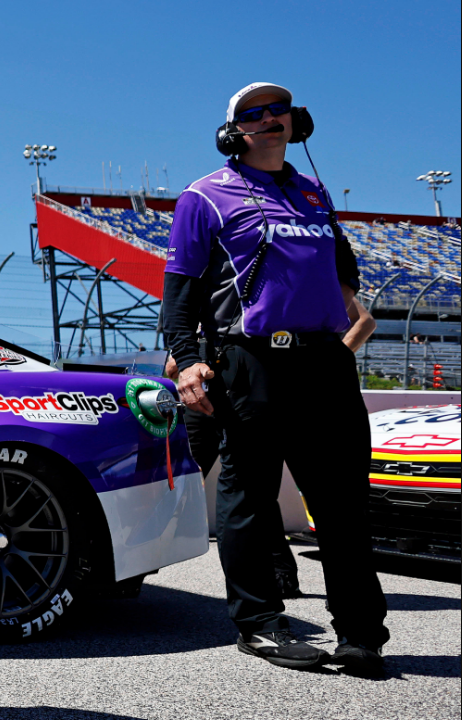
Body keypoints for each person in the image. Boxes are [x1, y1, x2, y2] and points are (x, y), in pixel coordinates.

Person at [163, 82, 389, 676]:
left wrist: (337, 337)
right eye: (253, 114)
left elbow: (346, 277)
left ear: (298, 121)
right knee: (247, 499)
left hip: (324, 363)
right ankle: (260, 626)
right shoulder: (204, 197)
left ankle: (361, 634)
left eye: (279, 110)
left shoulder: (313, 191)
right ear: (233, 132)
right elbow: (179, 293)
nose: (269, 119)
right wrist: (188, 360)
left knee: (342, 504)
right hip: (251, 362)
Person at [165, 291, 376, 600]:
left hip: (252, 376)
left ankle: (280, 576)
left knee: (254, 485)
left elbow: (364, 321)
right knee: (197, 476)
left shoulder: (269, 258)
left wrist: (328, 363)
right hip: (203, 379)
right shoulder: (202, 264)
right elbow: (182, 320)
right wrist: (182, 359)